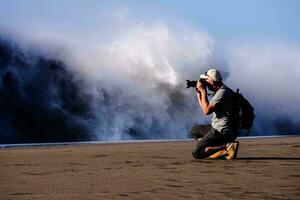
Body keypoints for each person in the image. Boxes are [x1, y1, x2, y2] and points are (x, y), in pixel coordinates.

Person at [191, 68, 239, 159]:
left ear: (211, 81)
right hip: (223, 129)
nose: (205, 83)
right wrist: (199, 94)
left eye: (206, 80)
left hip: (221, 132)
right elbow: (205, 109)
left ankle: (226, 147)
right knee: (194, 131)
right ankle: (213, 147)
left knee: (196, 153)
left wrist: (203, 91)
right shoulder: (223, 90)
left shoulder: (222, 93)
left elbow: (206, 111)